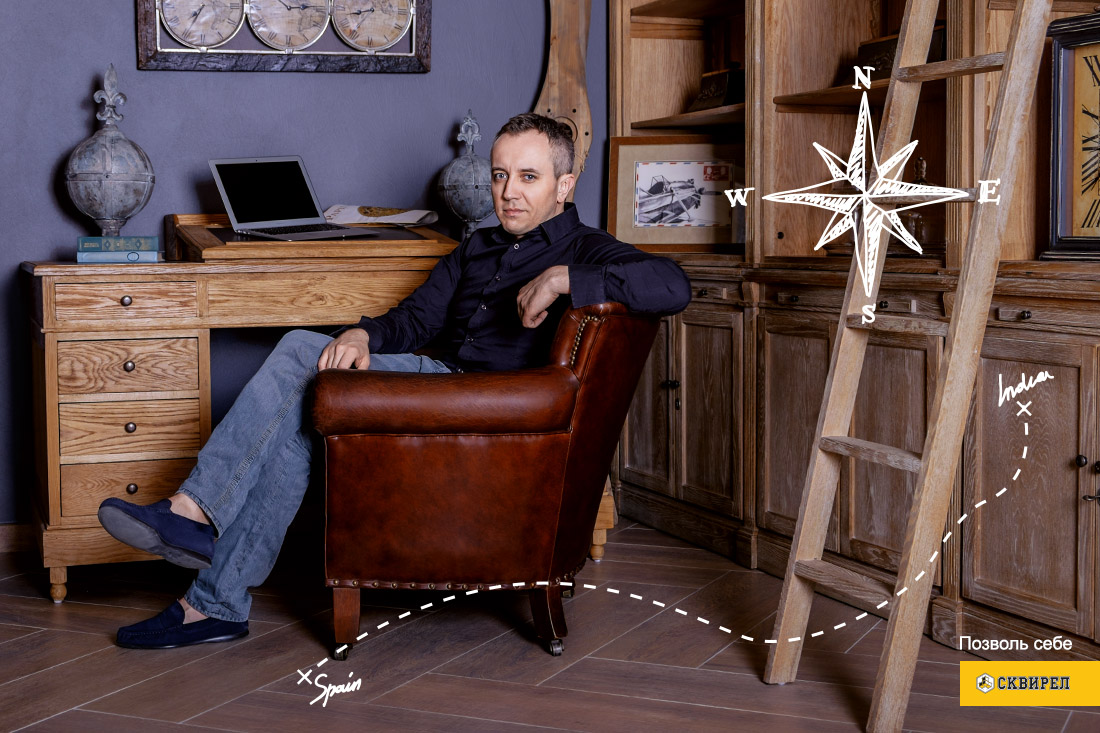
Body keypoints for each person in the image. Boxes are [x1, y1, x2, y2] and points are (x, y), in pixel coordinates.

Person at [97, 113, 693, 649]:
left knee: (301, 349)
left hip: (494, 409)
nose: (509, 192)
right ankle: (214, 605)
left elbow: (673, 285)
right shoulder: (478, 247)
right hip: (439, 386)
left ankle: (194, 511)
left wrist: (564, 277)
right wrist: (361, 335)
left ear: (564, 186)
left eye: (528, 177)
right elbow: (416, 320)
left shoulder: (588, 249)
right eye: (500, 175)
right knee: (311, 394)